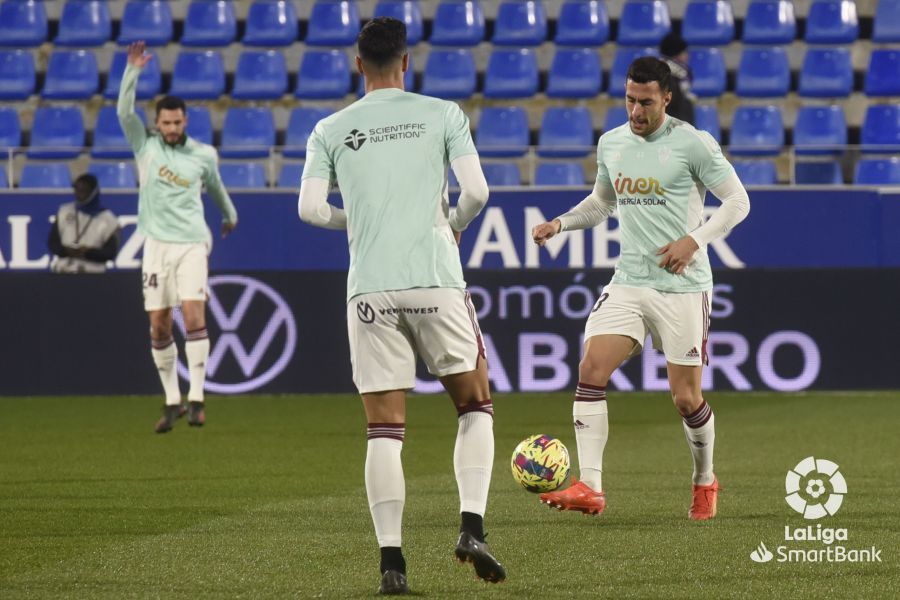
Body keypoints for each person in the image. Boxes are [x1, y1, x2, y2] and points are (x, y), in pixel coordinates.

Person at [298, 17, 504, 595]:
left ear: (357, 64)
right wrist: (453, 225)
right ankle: (471, 527)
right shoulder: (443, 113)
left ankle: (392, 563)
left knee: (384, 430)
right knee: (475, 404)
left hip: (370, 289)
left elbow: (310, 210)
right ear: (407, 62)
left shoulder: (330, 128)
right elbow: (479, 192)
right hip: (436, 280)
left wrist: (355, 224)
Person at [531, 57, 750, 521]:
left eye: (645, 102)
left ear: (666, 98)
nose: (636, 111)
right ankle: (590, 485)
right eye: (630, 100)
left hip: (683, 287)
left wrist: (695, 240)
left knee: (686, 400)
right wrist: (560, 224)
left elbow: (738, 201)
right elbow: (603, 202)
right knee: (592, 366)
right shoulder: (611, 143)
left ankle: (704, 479)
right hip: (629, 280)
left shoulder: (693, 143)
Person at [118, 41, 238, 434]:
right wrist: (132, 69)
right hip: (155, 245)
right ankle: (172, 399)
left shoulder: (203, 155)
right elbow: (123, 111)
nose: (171, 129)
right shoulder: (145, 146)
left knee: (193, 315)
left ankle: (198, 396)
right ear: (158, 123)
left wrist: (229, 213)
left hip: (190, 243)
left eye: (177, 123)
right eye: (165, 123)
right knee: (158, 325)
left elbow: (216, 187)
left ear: (185, 121)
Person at [48, 174, 121, 274]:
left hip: (93, 273)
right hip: (64, 270)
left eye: (84, 190)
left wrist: (87, 253)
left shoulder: (108, 219)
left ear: (93, 192)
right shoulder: (64, 211)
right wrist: (67, 251)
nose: (79, 193)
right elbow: (53, 243)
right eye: (77, 189)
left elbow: (110, 252)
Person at [659, 33, 696, 125]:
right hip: (677, 128)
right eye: (684, 52)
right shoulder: (678, 76)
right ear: (676, 54)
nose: (687, 56)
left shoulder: (653, 70)